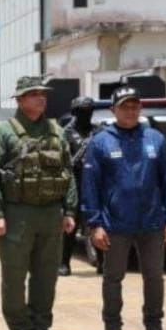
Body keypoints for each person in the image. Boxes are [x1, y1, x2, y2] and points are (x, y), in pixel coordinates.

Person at [0, 76, 78, 330]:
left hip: (50, 213)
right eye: (33, 94)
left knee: (46, 277)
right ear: (20, 100)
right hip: (18, 213)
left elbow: (67, 171)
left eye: (43, 94)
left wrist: (70, 209)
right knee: (14, 276)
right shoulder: (5, 132)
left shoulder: (56, 130)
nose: (40, 98)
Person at [82, 86, 166, 330]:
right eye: (124, 106)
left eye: (135, 106)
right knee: (113, 278)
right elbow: (90, 186)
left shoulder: (155, 139)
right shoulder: (101, 142)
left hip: (152, 221)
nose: (130, 111)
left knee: (154, 277)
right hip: (115, 223)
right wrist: (95, 224)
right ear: (113, 110)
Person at [61, 97, 99, 276]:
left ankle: (102, 261)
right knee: (70, 225)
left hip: (94, 185)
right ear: (74, 112)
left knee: (96, 224)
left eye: (89, 110)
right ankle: (64, 263)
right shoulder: (65, 133)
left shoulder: (98, 132)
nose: (86, 114)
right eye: (82, 111)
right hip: (73, 184)